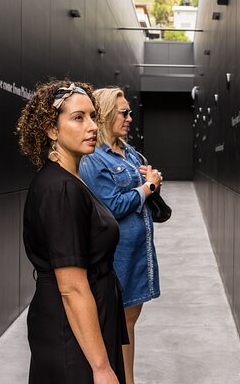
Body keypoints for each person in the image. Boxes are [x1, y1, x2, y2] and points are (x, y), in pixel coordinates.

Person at [16, 80, 128, 384]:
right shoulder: (61, 189)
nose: (91, 126)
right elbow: (72, 287)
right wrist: (102, 367)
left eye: (93, 116)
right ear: (52, 130)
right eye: (78, 118)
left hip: (80, 321)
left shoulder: (67, 179)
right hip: (71, 330)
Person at [79, 87, 162, 384]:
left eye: (129, 112)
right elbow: (111, 205)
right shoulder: (93, 159)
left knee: (127, 323)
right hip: (117, 256)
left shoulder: (128, 151)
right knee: (117, 326)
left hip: (137, 254)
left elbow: (140, 188)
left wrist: (151, 179)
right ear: (106, 116)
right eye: (123, 113)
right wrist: (148, 186)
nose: (130, 118)